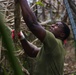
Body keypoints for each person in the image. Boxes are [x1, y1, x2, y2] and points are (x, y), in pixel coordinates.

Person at [15, 0, 70, 75]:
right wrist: (21, 37)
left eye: (57, 25)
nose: (52, 25)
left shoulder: (55, 43)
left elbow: (33, 24)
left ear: (62, 35)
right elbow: (33, 51)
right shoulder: (52, 48)